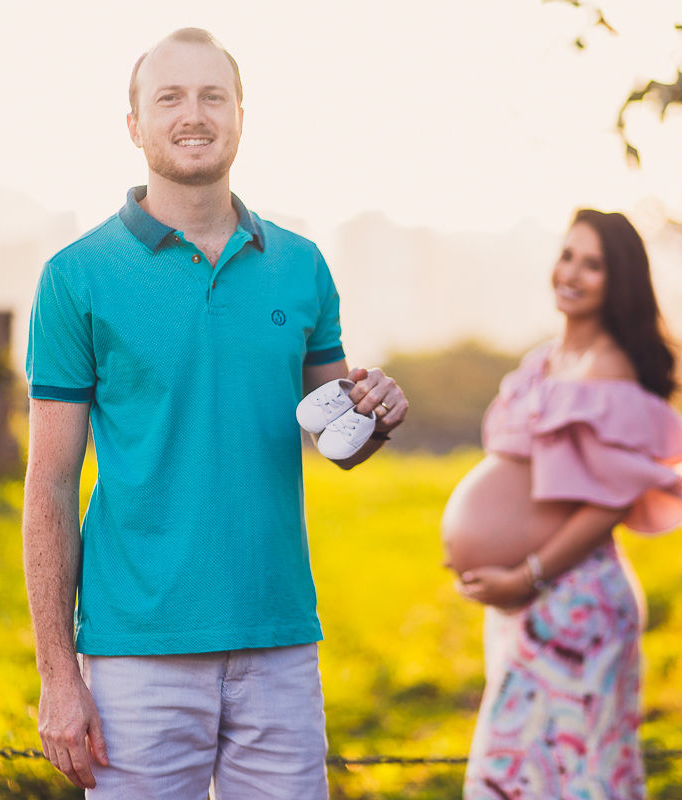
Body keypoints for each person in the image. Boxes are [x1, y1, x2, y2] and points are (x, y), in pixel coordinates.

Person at [21, 27, 407, 799]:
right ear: (134, 125)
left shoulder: (302, 265)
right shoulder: (76, 278)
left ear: (240, 116)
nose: (192, 114)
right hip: (137, 655)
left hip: (280, 646)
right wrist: (59, 676)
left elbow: (338, 434)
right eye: (169, 97)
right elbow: (51, 485)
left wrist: (379, 413)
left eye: (211, 96)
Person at [440, 210, 682, 800]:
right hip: (529, 602)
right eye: (568, 255)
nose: (572, 273)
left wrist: (526, 575)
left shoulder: (608, 369)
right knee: (526, 776)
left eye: (593, 264)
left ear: (617, 282)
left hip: (575, 603)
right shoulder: (545, 361)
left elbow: (609, 502)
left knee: (571, 779)